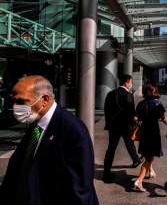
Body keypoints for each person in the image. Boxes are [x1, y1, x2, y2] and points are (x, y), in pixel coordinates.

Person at [0, 75, 99, 204]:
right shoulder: (36, 125)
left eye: (21, 102)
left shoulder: (72, 129)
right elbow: (23, 164)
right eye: (14, 101)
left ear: (45, 100)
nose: (15, 107)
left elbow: (80, 188)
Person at [103, 74, 142, 181]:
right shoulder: (128, 95)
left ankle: (106, 172)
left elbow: (106, 110)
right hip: (125, 125)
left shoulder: (110, 94)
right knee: (129, 142)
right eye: (131, 82)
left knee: (111, 148)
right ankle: (136, 159)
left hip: (113, 126)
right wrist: (135, 123)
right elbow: (131, 113)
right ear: (127, 82)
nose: (131, 84)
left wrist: (109, 123)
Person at [132, 83, 166, 192]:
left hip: (144, 131)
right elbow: (164, 119)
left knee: (147, 153)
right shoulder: (158, 104)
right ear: (154, 91)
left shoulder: (141, 104)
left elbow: (136, 118)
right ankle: (139, 181)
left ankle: (150, 171)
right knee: (149, 158)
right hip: (153, 132)